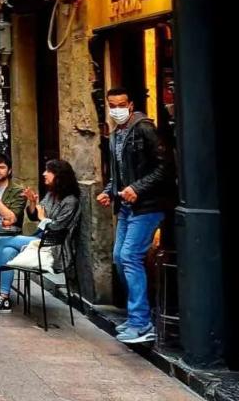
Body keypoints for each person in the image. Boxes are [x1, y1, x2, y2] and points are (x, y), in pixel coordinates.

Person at [97, 87, 174, 344]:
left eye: (121, 104)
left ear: (130, 105)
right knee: (120, 257)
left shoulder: (144, 129)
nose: (116, 109)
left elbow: (165, 167)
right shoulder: (115, 135)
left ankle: (142, 323)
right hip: (127, 207)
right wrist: (110, 191)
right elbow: (119, 173)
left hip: (147, 206)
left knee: (130, 256)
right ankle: (136, 316)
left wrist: (136, 189)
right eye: (112, 105)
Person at [0, 159, 81, 313]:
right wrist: (32, 203)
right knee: (7, 252)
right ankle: (3, 299)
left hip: (53, 246)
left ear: (59, 175)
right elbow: (33, 216)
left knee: (3, 239)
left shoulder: (71, 201)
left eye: (48, 171)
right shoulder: (52, 194)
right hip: (39, 239)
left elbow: (56, 228)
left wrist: (42, 218)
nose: (44, 173)